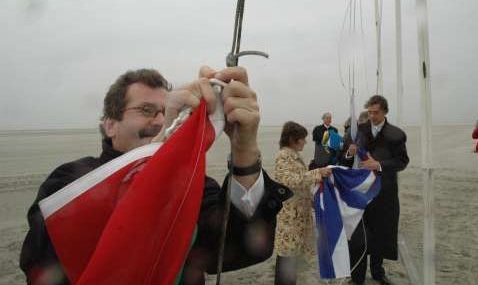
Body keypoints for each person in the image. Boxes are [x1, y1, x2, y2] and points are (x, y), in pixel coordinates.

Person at [19, 66, 292, 285]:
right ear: (110, 125)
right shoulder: (69, 181)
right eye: (146, 111)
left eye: (168, 112)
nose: (162, 121)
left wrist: (244, 150)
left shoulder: (191, 186)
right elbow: (44, 262)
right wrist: (161, 149)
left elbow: (242, 248)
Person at [341, 95, 409, 285]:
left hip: (384, 193)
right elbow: (344, 157)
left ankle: (378, 273)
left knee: (381, 234)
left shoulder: (396, 134)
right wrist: (349, 152)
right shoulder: (359, 131)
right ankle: (357, 278)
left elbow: (402, 162)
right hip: (360, 193)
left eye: (376, 112)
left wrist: (378, 165)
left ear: (385, 111)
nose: (371, 116)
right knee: (359, 237)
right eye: (369, 112)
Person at [273, 121, 332, 285]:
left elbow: (301, 184)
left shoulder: (293, 155)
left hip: (298, 216)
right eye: (303, 139)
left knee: (292, 261)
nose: (305, 142)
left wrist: (314, 201)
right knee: (286, 260)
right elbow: (290, 181)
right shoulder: (283, 156)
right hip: (290, 219)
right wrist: (317, 173)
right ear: (293, 139)